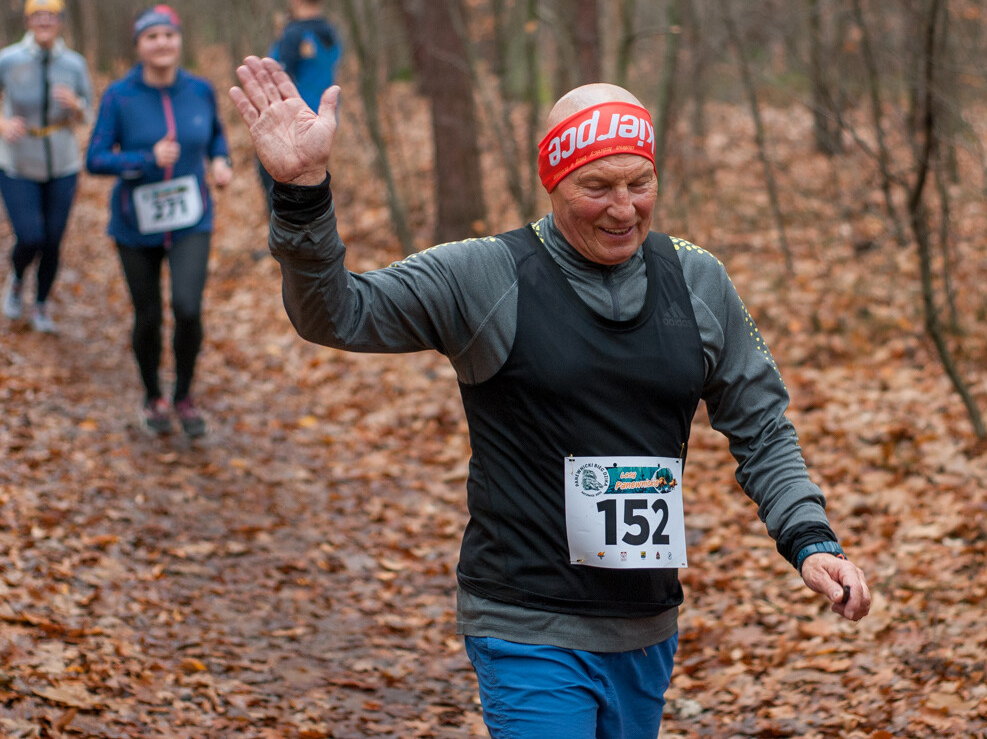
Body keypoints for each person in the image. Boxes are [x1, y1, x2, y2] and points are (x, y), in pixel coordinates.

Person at [231, 55, 871, 739]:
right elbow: (338, 314)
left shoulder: (697, 280)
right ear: (554, 179)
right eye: (598, 186)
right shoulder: (486, 274)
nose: (624, 207)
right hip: (523, 618)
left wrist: (809, 539)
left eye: (640, 182)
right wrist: (303, 193)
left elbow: (761, 426)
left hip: (645, 624)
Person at [86, 5, 232, 438]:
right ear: (139, 46)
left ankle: (184, 395)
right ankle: (153, 395)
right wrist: (145, 159)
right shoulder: (119, 95)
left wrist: (221, 161)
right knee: (148, 316)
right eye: (152, 37)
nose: (162, 43)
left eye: (169, 35)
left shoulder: (200, 90)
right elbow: (95, 159)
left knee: (187, 308)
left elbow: (216, 135)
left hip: (192, 218)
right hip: (135, 224)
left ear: (179, 40)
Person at [0, 0, 93, 333]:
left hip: (63, 163)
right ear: (27, 22)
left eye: (51, 16)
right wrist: (3, 123)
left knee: (53, 240)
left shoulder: (74, 63)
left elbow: (90, 111)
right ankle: (16, 279)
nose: (44, 22)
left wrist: (76, 106)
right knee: (30, 236)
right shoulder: (8, 60)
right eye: (37, 16)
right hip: (17, 162)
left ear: (60, 22)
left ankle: (40, 305)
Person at [256, 0, 341, 215]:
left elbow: (274, 74)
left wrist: (282, 39)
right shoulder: (331, 33)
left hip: (292, 123)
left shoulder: (293, 35)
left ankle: (282, 240)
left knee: (276, 182)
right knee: (312, 185)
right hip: (324, 120)